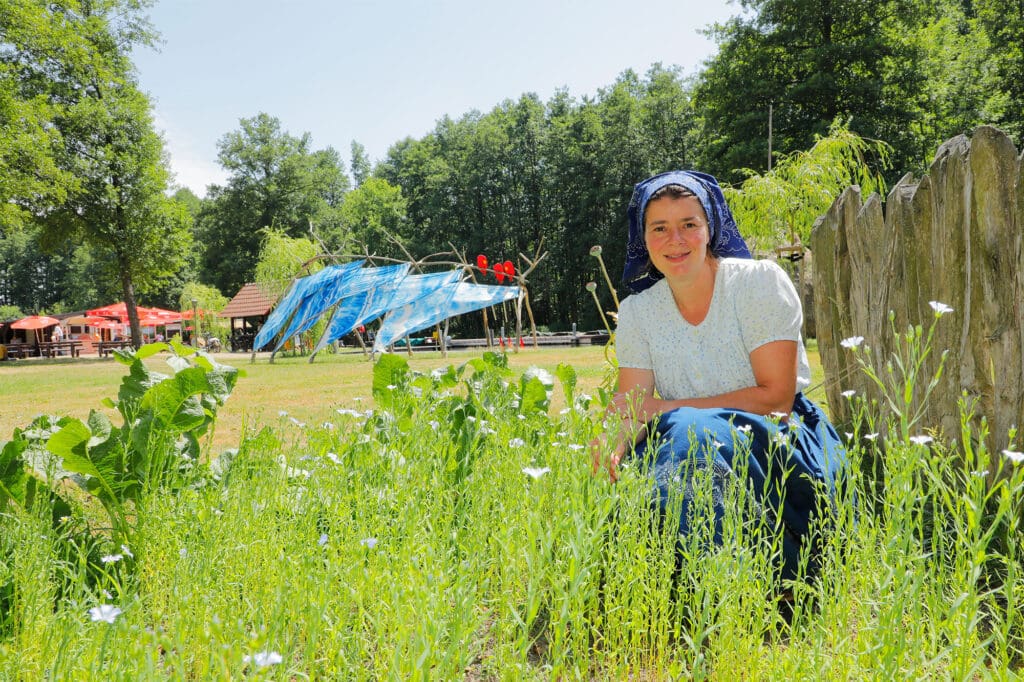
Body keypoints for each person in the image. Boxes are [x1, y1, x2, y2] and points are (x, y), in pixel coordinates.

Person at [593, 170, 847, 583]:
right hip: (679, 444)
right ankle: (649, 587)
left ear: (709, 228)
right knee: (639, 473)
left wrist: (669, 410)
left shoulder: (758, 283)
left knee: (686, 434)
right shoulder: (639, 312)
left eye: (689, 225)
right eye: (660, 228)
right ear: (644, 238)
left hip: (773, 442)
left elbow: (776, 398)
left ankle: (720, 583)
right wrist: (614, 444)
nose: (675, 240)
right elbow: (635, 407)